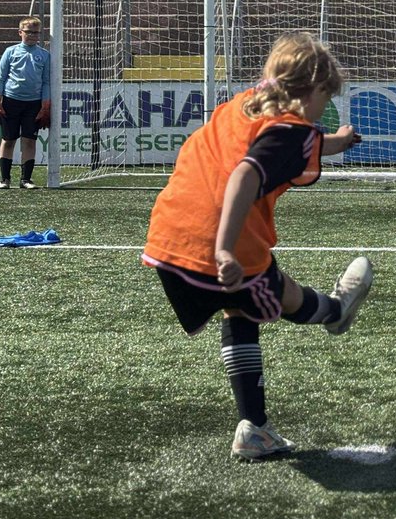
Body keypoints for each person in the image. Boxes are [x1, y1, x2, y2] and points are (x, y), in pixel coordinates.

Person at [142, 31, 372, 461]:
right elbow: (247, 173)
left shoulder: (246, 103)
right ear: (313, 90)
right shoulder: (293, 131)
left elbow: (281, 143)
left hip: (169, 234)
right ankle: (335, 312)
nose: (324, 108)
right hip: (221, 241)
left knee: (239, 307)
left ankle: (255, 429)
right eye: (326, 97)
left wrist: (337, 142)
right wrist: (225, 249)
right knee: (280, 295)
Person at [0, 17, 51, 189]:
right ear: (20, 33)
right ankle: (5, 179)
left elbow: (46, 82)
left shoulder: (44, 55)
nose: (32, 36)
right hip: (11, 102)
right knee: (8, 139)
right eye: (28, 32)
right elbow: (0, 77)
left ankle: (26, 179)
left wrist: (45, 106)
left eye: (36, 33)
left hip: (33, 104)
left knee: (29, 140)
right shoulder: (10, 52)